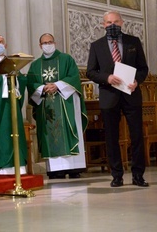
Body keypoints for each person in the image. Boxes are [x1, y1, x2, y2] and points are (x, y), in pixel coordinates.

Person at [86, 10, 149, 187]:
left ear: (122, 23)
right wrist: (107, 78)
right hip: (109, 95)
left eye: (115, 22)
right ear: (103, 25)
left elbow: (143, 68)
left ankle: (138, 175)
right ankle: (117, 175)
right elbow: (91, 71)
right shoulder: (96, 45)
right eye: (108, 23)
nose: (112, 25)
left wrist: (137, 81)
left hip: (131, 95)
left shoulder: (133, 42)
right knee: (111, 137)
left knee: (136, 136)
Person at [27, 33, 88, 179]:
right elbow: (30, 83)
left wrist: (57, 85)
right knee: (51, 135)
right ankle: (55, 169)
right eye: (45, 43)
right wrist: (42, 88)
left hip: (65, 103)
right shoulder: (35, 65)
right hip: (46, 106)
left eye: (50, 42)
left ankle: (74, 168)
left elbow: (74, 77)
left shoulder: (66, 59)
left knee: (68, 129)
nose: (48, 44)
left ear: (55, 42)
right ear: (40, 46)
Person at [0, 35, 27, 174]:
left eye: (0, 42)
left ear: (5, 46)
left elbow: (22, 80)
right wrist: (2, 78)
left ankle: (16, 166)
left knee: (13, 131)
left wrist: (16, 79)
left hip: (11, 102)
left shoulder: (12, 62)